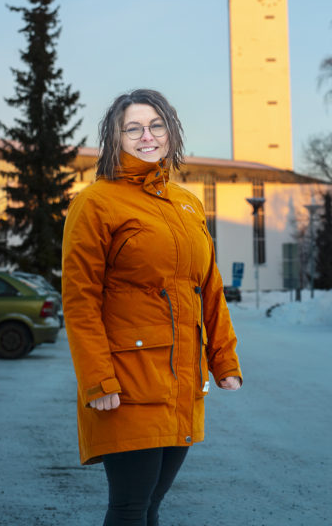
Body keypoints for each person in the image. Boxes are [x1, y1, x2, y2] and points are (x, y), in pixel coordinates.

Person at [62, 89, 242, 526]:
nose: (147, 135)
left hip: (182, 382)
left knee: (151, 507)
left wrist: (224, 360)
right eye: (134, 127)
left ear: (171, 131)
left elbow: (210, 289)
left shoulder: (187, 204)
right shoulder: (96, 202)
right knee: (129, 508)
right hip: (127, 385)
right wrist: (98, 381)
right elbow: (80, 299)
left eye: (156, 125)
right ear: (115, 137)